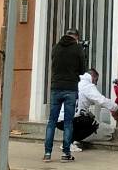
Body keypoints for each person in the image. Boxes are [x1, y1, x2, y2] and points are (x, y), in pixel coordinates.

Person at [42, 29, 86, 162]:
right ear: (76, 37)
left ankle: (47, 153)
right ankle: (66, 153)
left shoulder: (55, 48)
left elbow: (54, 65)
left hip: (56, 87)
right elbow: (82, 71)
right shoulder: (78, 49)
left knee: (52, 121)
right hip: (70, 88)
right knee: (68, 122)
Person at [70, 67, 117, 151]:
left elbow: (79, 104)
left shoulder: (76, 82)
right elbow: (101, 100)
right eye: (96, 80)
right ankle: (69, 142)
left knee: (84, 118)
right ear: (93, 77)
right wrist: (115, 108)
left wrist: (88, 113)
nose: (96, 83)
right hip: (72, 118)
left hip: (61, 118)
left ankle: (69, 141)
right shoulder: (88, 86)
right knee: (93, 123)